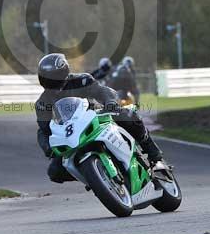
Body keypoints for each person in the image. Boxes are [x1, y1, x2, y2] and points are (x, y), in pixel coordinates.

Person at [35, 53, 163, 183]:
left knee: (127, 114)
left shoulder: (81, 80)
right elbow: (43, 129)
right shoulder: (42, 103)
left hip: (96, 117)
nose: (50, 81)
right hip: (72, 135)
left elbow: (102, 91)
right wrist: (48, 148)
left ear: (63, 73)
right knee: (54, 172)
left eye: (53, 77)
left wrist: (110, 102)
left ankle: (152, 150)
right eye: (47, 78)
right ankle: (94, 176)